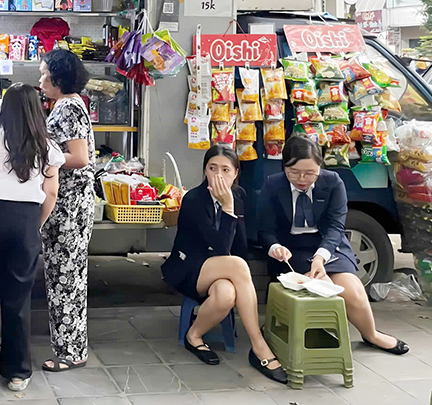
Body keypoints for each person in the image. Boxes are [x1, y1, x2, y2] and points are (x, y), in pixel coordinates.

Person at [258, 135, 409, 355]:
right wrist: (275, 248)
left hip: (328, 245)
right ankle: (308, 332)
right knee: (322, 288)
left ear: (320, 167)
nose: (302, 179)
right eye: (294, 173)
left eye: (310, 173)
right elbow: (265, 230)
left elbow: (336, 227)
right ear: (284, 168)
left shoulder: (333, 183)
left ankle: (372, 334)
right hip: (292, 250)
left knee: (353, 290)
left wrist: (320, 257)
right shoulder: (273, 185)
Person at [0, 84, 62, 394]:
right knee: (18, 299)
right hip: (25, 221)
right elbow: (52, 192)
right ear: (36, 109)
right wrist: (36, 222)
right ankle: (18, 373)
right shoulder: (46, 145)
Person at [162, 146, 287, 383]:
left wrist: (231, 206)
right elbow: (219, 248)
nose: (218, 175)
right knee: (238, 266)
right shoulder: (194, 199)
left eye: (225, 169)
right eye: (212, 168)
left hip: (221, 268)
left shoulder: (238, 195)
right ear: (204, 171)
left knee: (227, 294)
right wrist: (227, 208)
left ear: (236, 172)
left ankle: (194, 335)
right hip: (188, 267)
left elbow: (238, 244)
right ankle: (258, 345)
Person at [38, 49, 95, 372]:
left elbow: (80, 157)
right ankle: (71, 347)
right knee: (66, 278)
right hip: (68, 207)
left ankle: (70, 353)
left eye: (45, 74)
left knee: (66, 280)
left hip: (70, 210)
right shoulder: (67, 106)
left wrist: (46, 159)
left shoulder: (68, 108)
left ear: (59, 78)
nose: (41, 80)